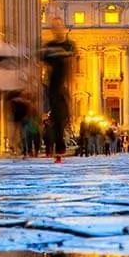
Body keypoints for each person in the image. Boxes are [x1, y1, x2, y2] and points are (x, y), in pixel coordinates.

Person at [41, 17, 75, 163]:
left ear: (63, 28)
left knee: (65, 116)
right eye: (54, 26)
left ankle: (59, 147)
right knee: (57, 117)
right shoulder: (49, 46)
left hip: (65, 86)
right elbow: (41, 62)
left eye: (59, 26)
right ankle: (59, 148)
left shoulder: (69, 45)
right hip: (53, 86)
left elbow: (72, 62)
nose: (57, 29)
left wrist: (72, 83)